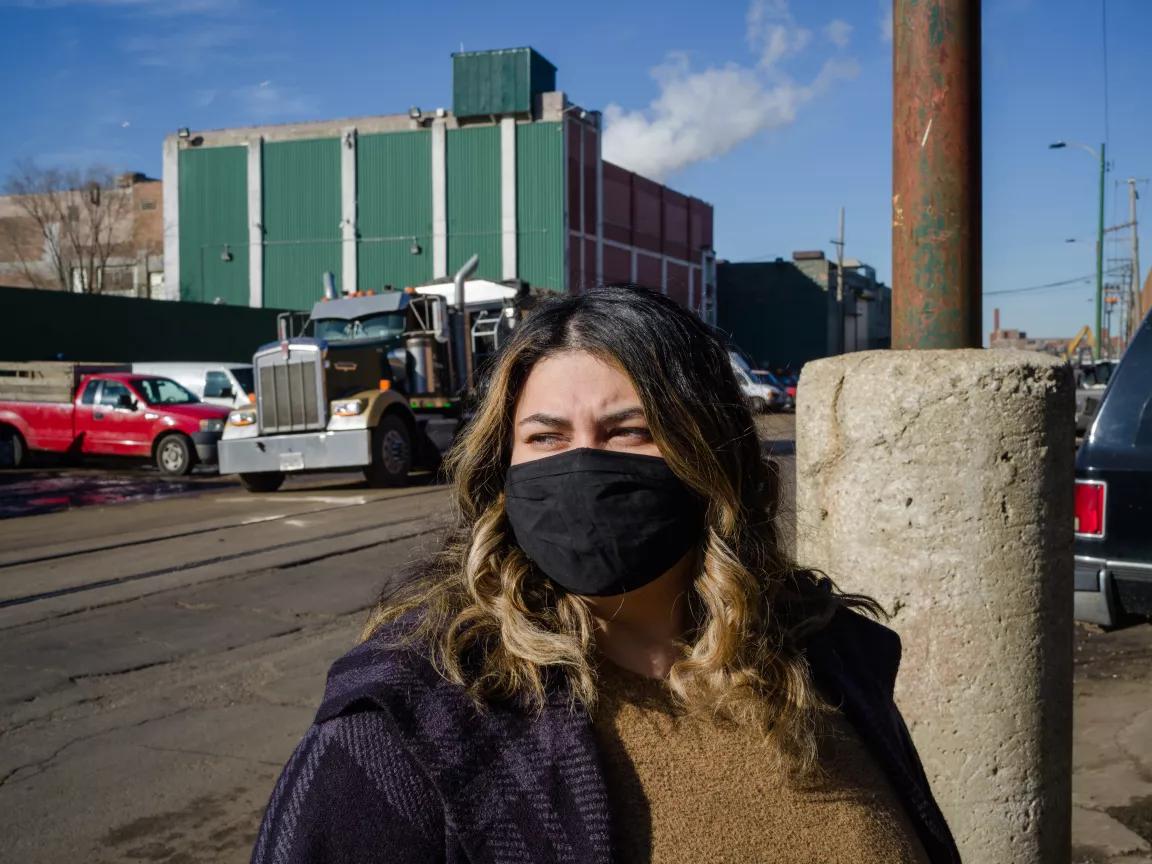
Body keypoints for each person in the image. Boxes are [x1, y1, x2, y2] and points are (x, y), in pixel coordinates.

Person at [250, 285, 960, 864]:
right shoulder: (415, 729)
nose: (583, 466)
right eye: (546, 438)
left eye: (629, 431)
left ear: (711, 457)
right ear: (503, 472)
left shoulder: (826, 661)